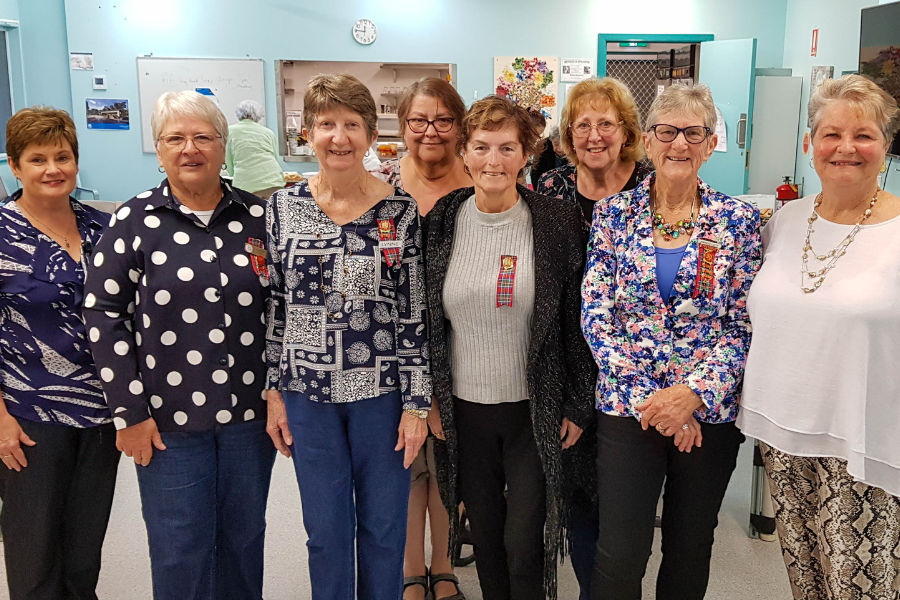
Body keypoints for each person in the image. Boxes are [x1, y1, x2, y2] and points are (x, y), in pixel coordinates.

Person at [83, 91, 276, 600]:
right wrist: (129, 412)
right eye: (176, 138)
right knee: (179, 549)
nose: (190, 149)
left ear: (223, 144)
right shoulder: (134, 220)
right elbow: (103, 314)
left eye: (203, 137)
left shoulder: (258, 218)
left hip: (248, 421)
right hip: (166, 423)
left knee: (243, 541)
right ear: (159, 148)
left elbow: (281, 310)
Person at [582, 82, 761, 600]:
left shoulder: (739, 222)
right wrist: (655, 401)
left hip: (708, 413)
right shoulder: (614, 215)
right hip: (628, 405)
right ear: (648, 140)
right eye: (667, 131)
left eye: (693, 132)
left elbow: (741, 323)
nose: (679, 144)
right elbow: (597, 313)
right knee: (621, 551)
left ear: (709, 144)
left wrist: (691, 398)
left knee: (689, 545)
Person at [264, 73, 431, 600]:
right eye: (326, 124)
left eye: (352, 124)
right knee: (326, 532)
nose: (339, 137)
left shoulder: (399, 212)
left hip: (381, 395)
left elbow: (413, 312)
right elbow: (276, 306)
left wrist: (417, 404)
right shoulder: (282, 209)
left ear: (369, 133)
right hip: (307, 394)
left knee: (384, 531)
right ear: (306, 133)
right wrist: (273, 391)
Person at [425, 94, 595, 600]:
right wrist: (430, 396)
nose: (492, 161)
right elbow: (428, 319)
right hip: (464, 410)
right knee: (488, 538)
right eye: (481, 148)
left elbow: (575, 320)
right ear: (464, 152)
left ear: (527, 154)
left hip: (532, 408)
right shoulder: (442, 219)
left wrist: (577, 403)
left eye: (506, 148)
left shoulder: (556, 222)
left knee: (526, 540)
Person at [739, 74, 900, 599]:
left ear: (886, 145)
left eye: (864, 135)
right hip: (784, 434)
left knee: (860, 589)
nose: (845, 148)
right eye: (831, 134)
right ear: (810, 145)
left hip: (865, 443)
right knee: (806, 582)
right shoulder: (783, 222)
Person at [0, 106, 119, 600]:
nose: (53, 169)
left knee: (83, 555)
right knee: (35, 559)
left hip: (100, 414)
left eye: (63, 156)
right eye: (37, 159)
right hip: (29, 416)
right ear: (15, 166)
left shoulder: (103, 227)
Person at [371, 76, 470, 600]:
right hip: (394, 348)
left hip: (466, 350)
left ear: (459, 128)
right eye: (418, 121)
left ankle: (445, 565)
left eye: (443, 120)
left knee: (450, 464)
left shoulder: (482, 183)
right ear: (402, 127)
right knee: (407, 461)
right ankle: (412, 569)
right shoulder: (381, 188)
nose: (430, 131)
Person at [538, 77, 653, 230]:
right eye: (583, 125)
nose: (594, 137)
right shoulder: (551, 186)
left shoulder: (652, 188)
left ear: (626, 133)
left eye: (606, 124)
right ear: (570, 135)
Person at [225, 99, 285, 199]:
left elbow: (228, 159)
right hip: (274, 180)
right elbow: (274, 157)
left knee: (250, 213)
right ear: (258, 115)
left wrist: (232, 174)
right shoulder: (268, 132)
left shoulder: (229, 131)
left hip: (246, 183)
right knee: (273, 213)